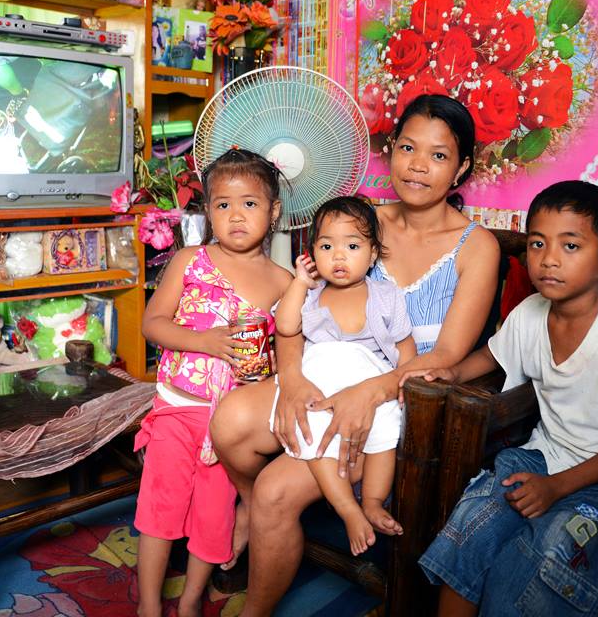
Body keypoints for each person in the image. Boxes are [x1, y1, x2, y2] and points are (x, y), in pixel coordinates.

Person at [210, 94, 500, 616]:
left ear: (461, 168)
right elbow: (301, 308)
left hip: (404, 398)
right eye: (408, 147)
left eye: (438, 155)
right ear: (391, 151)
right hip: (323, 373)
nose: (418, 165)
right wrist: (292, 379)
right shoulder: (355, 222)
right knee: (228, 422)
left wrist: (368, 393)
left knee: (276, 491)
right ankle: (252, 510)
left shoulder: (476, 246)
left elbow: (449, 355)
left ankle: (258, 584)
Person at [408, 180, 598, 616]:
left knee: (548, 551)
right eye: (537, 243)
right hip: (543, 457)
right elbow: (492, 356)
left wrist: (557, 487)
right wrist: (451, 372)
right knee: (472, 524)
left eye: (570, 246)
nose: (549, 258)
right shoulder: (530, 314)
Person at [134, 148, 292, 617]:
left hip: (230, 428)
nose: (236, 215)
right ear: (208, 211)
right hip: (177, 410)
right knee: (160, 509)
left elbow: (287, 355)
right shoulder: (190, 260)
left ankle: (189, 602)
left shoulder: (283, 283)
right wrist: (202, 341)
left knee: (213, 516)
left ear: (273, 212)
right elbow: (152, 323)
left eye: (250, 203)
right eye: (223, 204)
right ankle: (148, 604)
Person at [273, 196, 416, 555]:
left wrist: (403, 385)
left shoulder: (386, 295)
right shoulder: (311, 295)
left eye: (352, 247)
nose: (338, 256)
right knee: (312, 433)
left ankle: (373, 501)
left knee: (387, 430)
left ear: (372, 255)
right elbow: (286, 326)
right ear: (312, 254)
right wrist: (299, 284)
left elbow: (405, 346)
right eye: (326, 247)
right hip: (322, 381)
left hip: (369, 382)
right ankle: (347, 507)